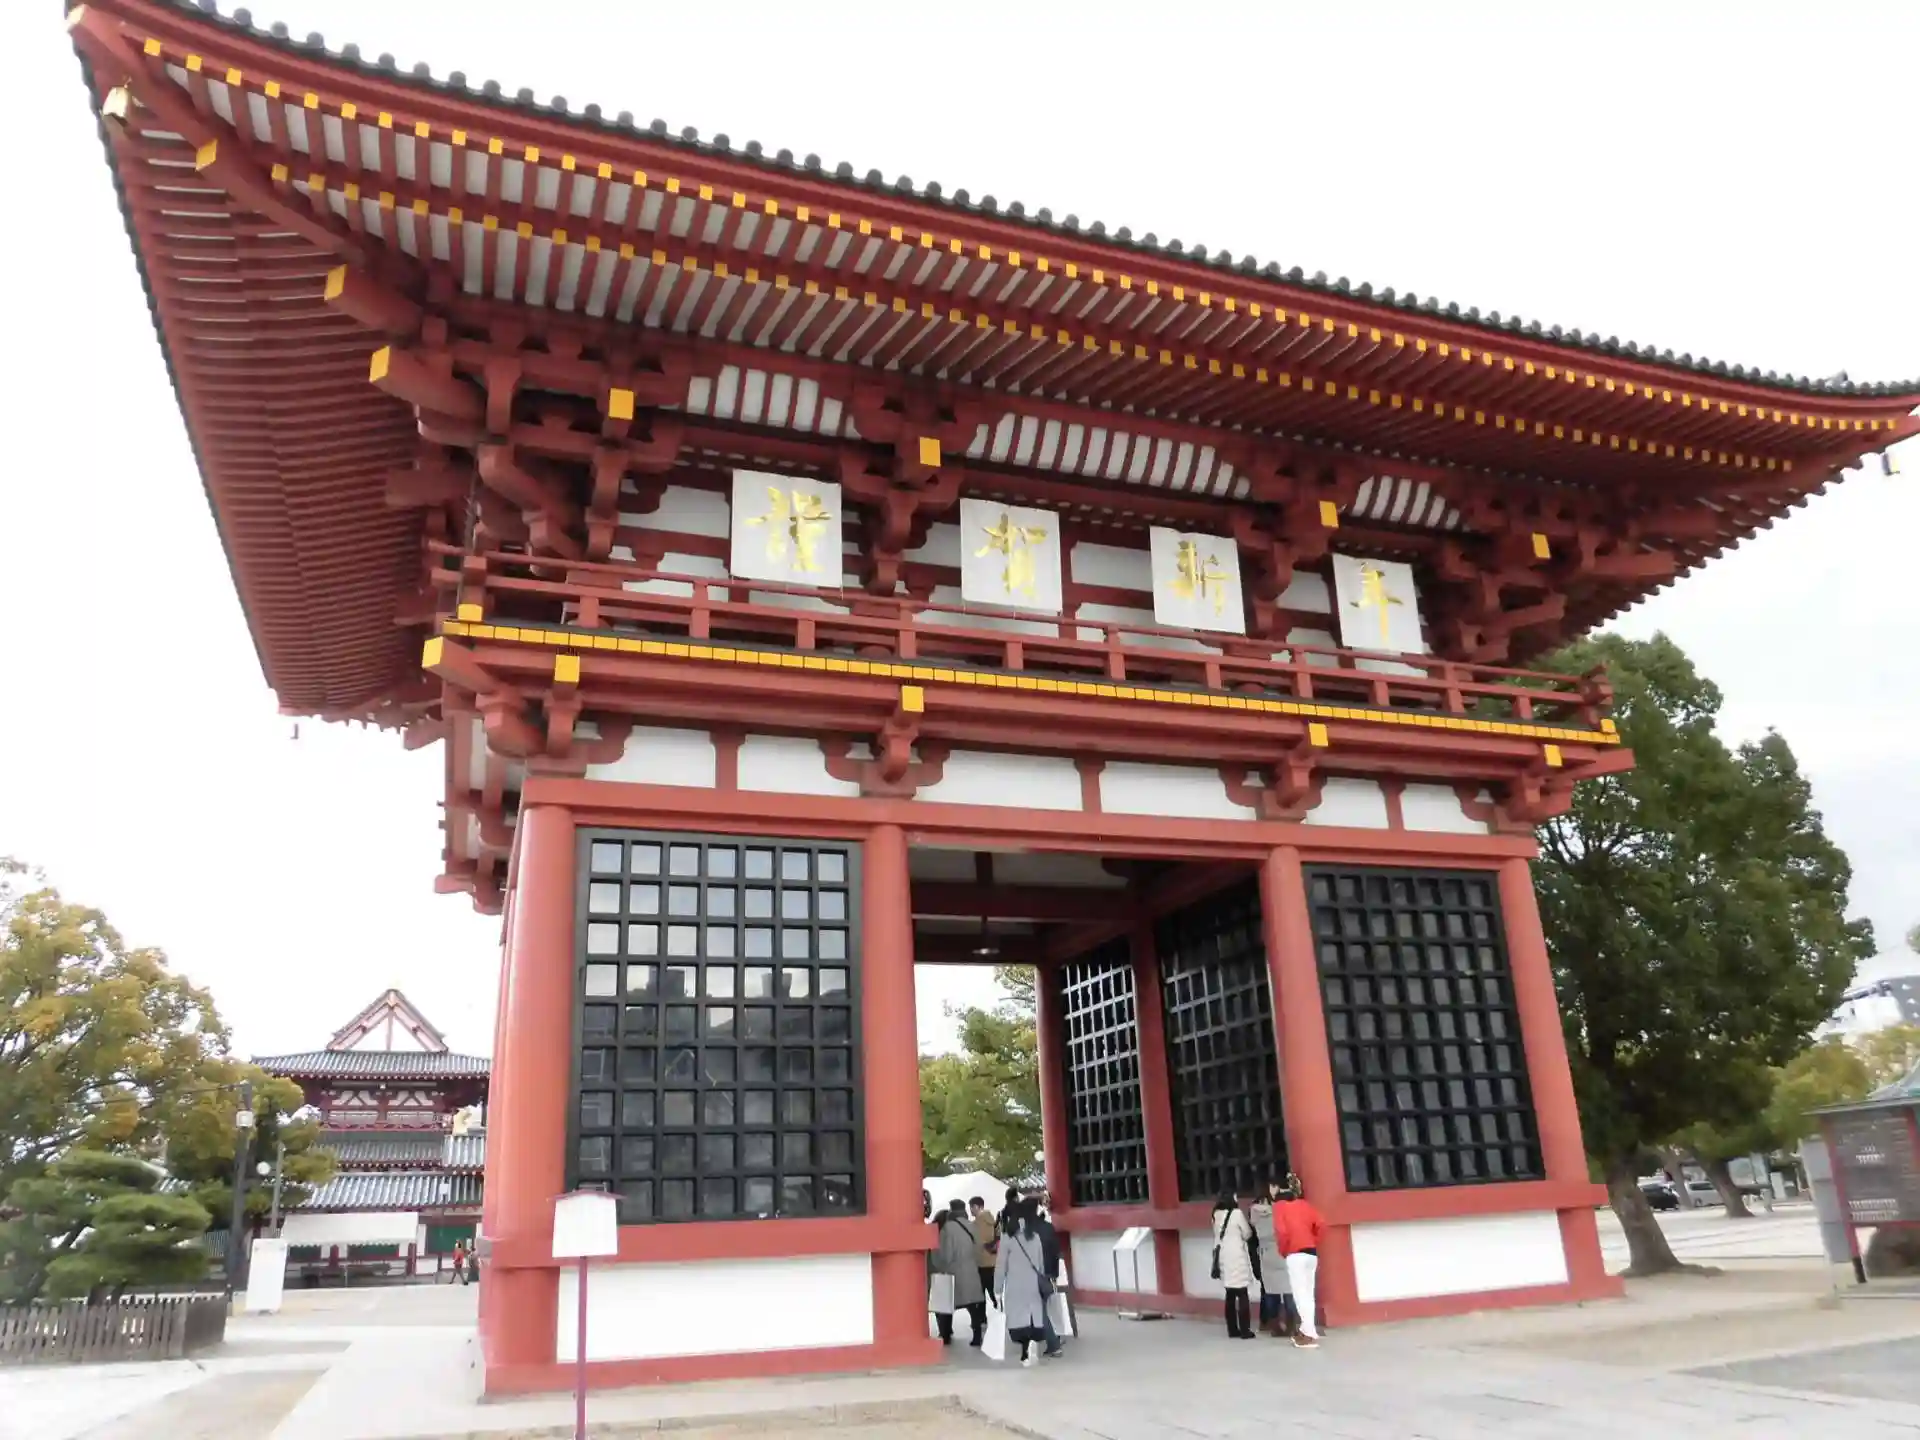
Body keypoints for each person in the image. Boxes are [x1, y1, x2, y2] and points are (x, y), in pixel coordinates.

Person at [995, 1199, 1052, 1367]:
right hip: (1032, 1284)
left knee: (1018, 1318)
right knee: (1033, 1316)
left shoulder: (1007, 1239)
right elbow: (1040, 1264)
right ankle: (1031, 1345)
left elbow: (1001, 1266)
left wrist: (997, 1288)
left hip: (1014, 1286)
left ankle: (1024, 1349)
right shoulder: (1035, 1237)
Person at [1274, 1173, 1325, 1349]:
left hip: (1295, 1253)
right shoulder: (1305, 1205)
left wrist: (1284, 1250)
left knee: (1299, 1294)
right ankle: (1309, 1329)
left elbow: (1281, 1232)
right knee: (1308, 1294)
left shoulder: (1280, 1207)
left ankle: (1308, 1334)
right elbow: (1321, 1224)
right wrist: (1314, 1240)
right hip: (1311, 1252)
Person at [931, 1201, 988, 1346]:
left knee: (948, 1305)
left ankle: (946, 1335)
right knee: (973, 1306)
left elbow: (946, 1255)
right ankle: (977, 1336)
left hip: (954, 1273)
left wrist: (938, 1265)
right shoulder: (972, 1226)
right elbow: (979, 1250)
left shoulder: (947, 1228)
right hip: (972, 1271)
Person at [1211, 1189, 1256, 1339]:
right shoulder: (1236, 1214)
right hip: (1237, 1256)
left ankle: (1232, 1329)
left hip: (1223, 1257)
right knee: (1242, 1293)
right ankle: (1245, 1330)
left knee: (1229, 1294)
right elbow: (1247, 1233)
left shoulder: (1216, 1214)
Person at [1249, 1182, 1285, 1335]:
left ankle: (1266, 1321)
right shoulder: (1274, 1210)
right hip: (1273, 1251)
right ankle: (1276, 1322)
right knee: (1277, 1288)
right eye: (1274, 1186)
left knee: (1266, 1287)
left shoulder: (1253, 1209)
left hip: (1259, 1251)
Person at [969, 1197, 999, 1308]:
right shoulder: (992, 1221)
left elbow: (975, 1244)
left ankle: (983, 1316)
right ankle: (998, 1307)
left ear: (977, 1207)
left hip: (980, 1263)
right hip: (992, 1262)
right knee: (992, 1292)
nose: (970, 1210)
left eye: (971, 1207)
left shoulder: (976, 1224)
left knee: (980, 1297)